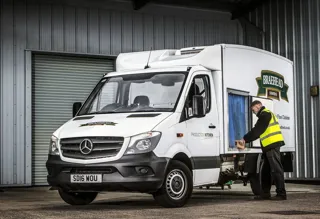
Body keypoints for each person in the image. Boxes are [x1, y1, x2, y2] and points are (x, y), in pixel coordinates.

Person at [238, 100, 287, 200]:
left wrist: (244, 139)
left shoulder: (265, 114)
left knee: (276, 170)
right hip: (268, 147)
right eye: (252, 111)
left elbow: (257, 130)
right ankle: (265, 193)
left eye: (254, 109)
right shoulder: (264, 115)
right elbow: (258, 130)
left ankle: (281, 193)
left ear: (259, 106)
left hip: (272, 145)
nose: (254, 112)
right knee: (265, 171)